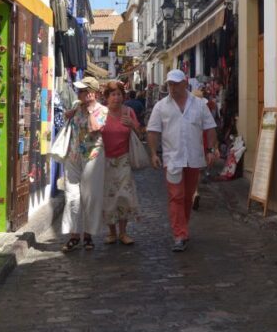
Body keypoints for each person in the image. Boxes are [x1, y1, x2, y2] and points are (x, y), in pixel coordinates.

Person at [147, 69, 218, 252]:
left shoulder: (200, 105)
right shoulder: (161, 106)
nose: (173, 88)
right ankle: (179, 234)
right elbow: (153, 131)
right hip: (172, 159)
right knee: (176, 196)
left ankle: (182, 228)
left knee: (187, 197)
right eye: (170, 84)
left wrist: (211, 149)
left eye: (176, 84)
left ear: (185, 84)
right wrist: (154, 153)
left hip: (194, 157)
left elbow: (210, 128)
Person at [61, 76, 108, 253]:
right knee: (72, 196)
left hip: (93, 157)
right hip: (73, 156)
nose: (79, 93)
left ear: (92, 94)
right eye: (79, 91)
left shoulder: (103, 111)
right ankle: (73, 235)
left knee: (90, 197)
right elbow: (67, 120)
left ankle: (88, 235)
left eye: (82, 91)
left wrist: (88, 110)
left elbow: (95, 128)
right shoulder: (76, 107)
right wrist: (71, 113)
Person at [101, 81, 144, 245]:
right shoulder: (101, 113)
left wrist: (133, 125)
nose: (116, 98)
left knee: (124, 196)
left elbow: (140, 134)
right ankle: (111, 232)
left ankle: (123, 232)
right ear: (107, 97)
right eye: (113, 94)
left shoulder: (129, 112)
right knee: (109, 196)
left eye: (119, 94)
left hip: (124, 160)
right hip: (105, 160)